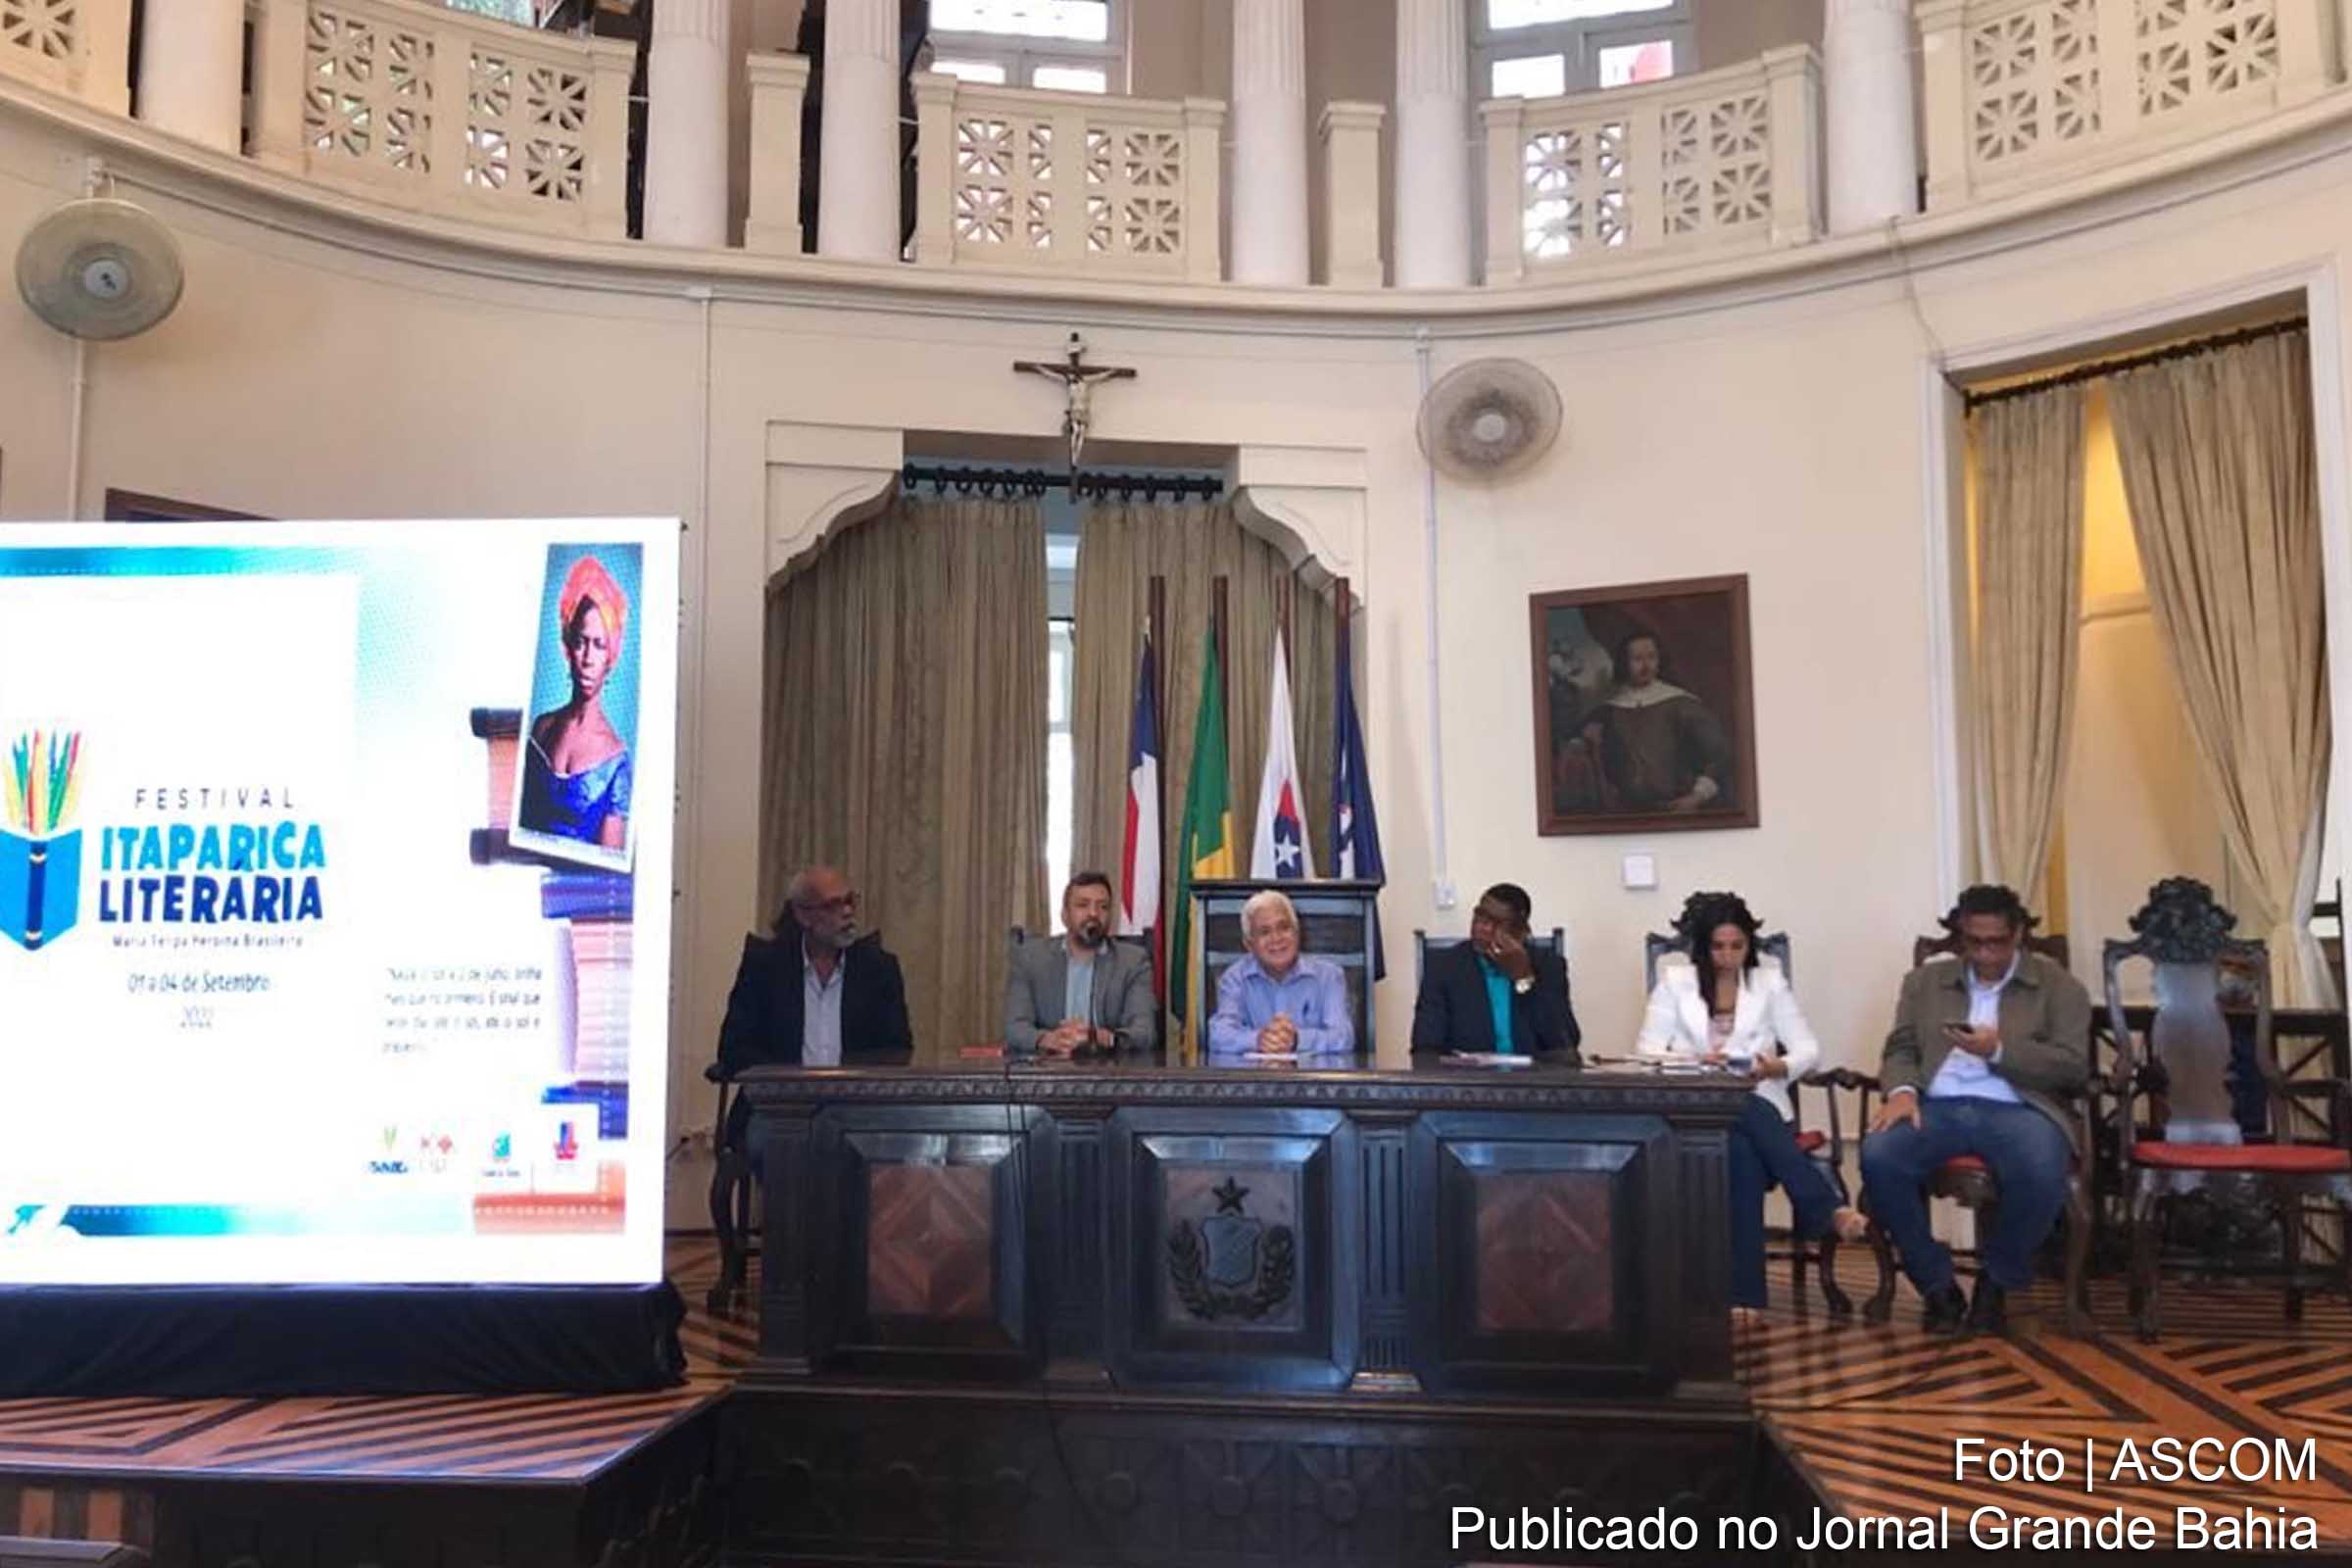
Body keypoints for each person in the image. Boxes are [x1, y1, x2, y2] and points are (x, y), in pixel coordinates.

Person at [1860, 883, 2088, 1337]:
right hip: (1937, 1104)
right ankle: (1935, 1283)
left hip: (2020, 1108)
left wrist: (1999, 1050)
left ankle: (1998, 1280)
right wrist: (1902, 1090)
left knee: (2043, 1167)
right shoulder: (1925, 982)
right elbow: (1901, 1046)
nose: (1985, 954)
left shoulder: (2058, 987)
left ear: (2018, 934)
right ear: (1961, 937)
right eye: (1974, 942)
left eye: (1996, 942)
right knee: (1879, 1155)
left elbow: (2073, 1066)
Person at [1636, 891, 1865, 1320]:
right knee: (1738, 1109)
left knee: (1742, 1151)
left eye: (1737, 946)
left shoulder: (1769, 982)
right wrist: (1695, 1061)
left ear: (1749, 945)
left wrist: (1775, 1066)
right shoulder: (1675, 983)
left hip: (1757, 1100)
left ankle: (1745, 1297)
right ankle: (1825, 1206)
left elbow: (1808, 1050)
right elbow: (1647, 1052)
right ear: (1702, 947)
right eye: (1718, 947)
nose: (1727, 956)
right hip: (1694, 1103)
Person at [715, 865, 913, 1146]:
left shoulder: (877, 969)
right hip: (778, 1110)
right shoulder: (766, 967)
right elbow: (733, 1047)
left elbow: (897, 1049)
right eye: (833, 905)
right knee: (787, 1147)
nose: (847, 913)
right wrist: (789, 1084)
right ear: (803, 915)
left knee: (858, 1149)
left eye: (850, 901)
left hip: (856, 1109)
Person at [518, 554, 632, 853]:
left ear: (611, 656)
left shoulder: (616, 760)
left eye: (599, 645)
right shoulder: (542, 728)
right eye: (581, 642)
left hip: (577, 896)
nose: (587, 658)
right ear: (569, 646)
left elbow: (608, 878)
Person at [1409, 882, 1580, 1061]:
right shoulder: (1444, 967)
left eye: (1495, 923)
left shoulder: (1548, 966)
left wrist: (1524, 978)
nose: (1482, 928)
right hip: (1467, 1082)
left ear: (1521, 933)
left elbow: (1564, 1043)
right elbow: (1424, 1047)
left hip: (1533, 1082)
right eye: (1479, 917)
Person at [1005, 871, 1157, 1056]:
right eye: (1083, 905)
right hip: (1047, 1073)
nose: (1093, 913)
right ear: (1065, 915)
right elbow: (1015, 1028)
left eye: (1103, 907)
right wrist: (1048, 1039)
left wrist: (1102, 1038)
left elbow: (1145, 1032)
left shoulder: (1133, 961)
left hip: (1110, 1074)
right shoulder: (1030, 959)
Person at [1581, 629, 1732, 814]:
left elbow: (1719, 755)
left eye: (1651, 657)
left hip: (1677, 809)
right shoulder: (1609, 709)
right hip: (1626, 813)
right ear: (1624, 663)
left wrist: (1696, 797)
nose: (1646, 666)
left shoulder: (1683, 704)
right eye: (1637, 659)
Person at [1206, 889, 1353, 1057]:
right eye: (1265, 932)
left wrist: (1297, 1039)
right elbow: (1218, 1035)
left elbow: (1343, 1036)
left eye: (1284, 928)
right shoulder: (1234, 979)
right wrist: (1258, 1039)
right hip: (1254, 1081)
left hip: (1313, 1081)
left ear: (1297, 933)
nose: (1276, 939)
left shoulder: (1329, 976)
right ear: (1249, 944)